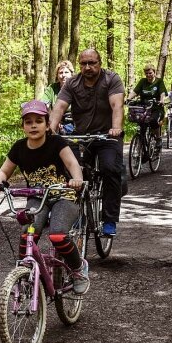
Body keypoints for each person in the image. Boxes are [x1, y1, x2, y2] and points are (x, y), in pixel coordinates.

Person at [0, 100, 89, 294]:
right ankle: (24, 272)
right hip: (37, 198)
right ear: (23, 126)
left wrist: (77, 180)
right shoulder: (18, 148)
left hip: (63, 196)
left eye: (39, 121)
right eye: (28, 121)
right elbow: (4, 172)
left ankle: (78, 269)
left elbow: (73, 164)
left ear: (47, 124)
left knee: (58, 234)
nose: (33, 125)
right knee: (28, 234)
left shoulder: (56, 142)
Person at [49, 48, 125, 237]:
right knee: (70, 171)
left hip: (107, 136)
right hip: (82, 136)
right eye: (84, 64)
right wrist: (50, 128)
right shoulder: (72, 83)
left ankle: (109, 219)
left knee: (110, 169)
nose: (88, 67)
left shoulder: (111, 79)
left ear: (100, 63)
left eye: (92, 63)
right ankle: (76, 213)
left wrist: (115, 128)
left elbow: (117, 106)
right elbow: (59, 106)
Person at [128, 64, 167, 148]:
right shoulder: (143, 81)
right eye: (146, 73)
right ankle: (142, 148)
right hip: (144, 108)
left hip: (156, 107)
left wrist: (162, 100)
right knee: (141, 124)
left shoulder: (159, 81)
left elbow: (162, 92)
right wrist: (128, 99)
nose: (148, 75)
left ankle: (158, 138)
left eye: (150, 73)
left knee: (153, 121)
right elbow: (135, 92)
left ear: (154, 72)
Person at [42, 60, 75, 133]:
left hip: (74, 122)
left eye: (66, 72)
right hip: (56, 122)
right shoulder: (52, 88)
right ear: (57, 75)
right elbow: (44, 104)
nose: (63, 75)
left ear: (71, 74)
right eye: (60, 73)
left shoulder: (77, 88)